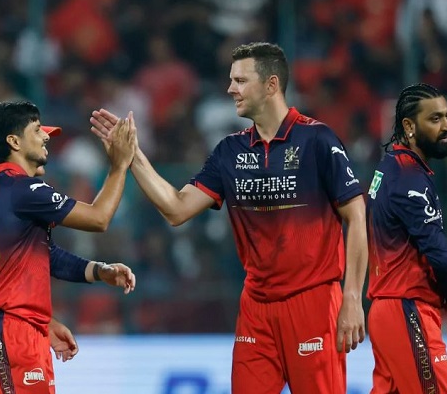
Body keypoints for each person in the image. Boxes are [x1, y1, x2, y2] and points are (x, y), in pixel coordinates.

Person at [91, 42, 368, 394]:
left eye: (240, 80)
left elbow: (356, 215)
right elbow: (176, 209)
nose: (230, 89)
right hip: (256, 307)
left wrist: (352, 297)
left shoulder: (317, 140)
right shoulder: (230, 151)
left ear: (271, 84)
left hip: (312, 301)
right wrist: (133, 157)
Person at [0, 126, 135, 394]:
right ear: (14, 146)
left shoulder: (22, 198)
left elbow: (46, 255)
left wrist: (98, 271)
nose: (45, 142)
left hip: (5, 332)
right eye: (37, 135)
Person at [365, 83, 447, 393]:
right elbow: (439, 252)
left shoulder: (390, 166)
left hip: (387, 309)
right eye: (435, 119)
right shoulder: (410, 179)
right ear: (409, 126)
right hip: (407, 308)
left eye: (446, 116)